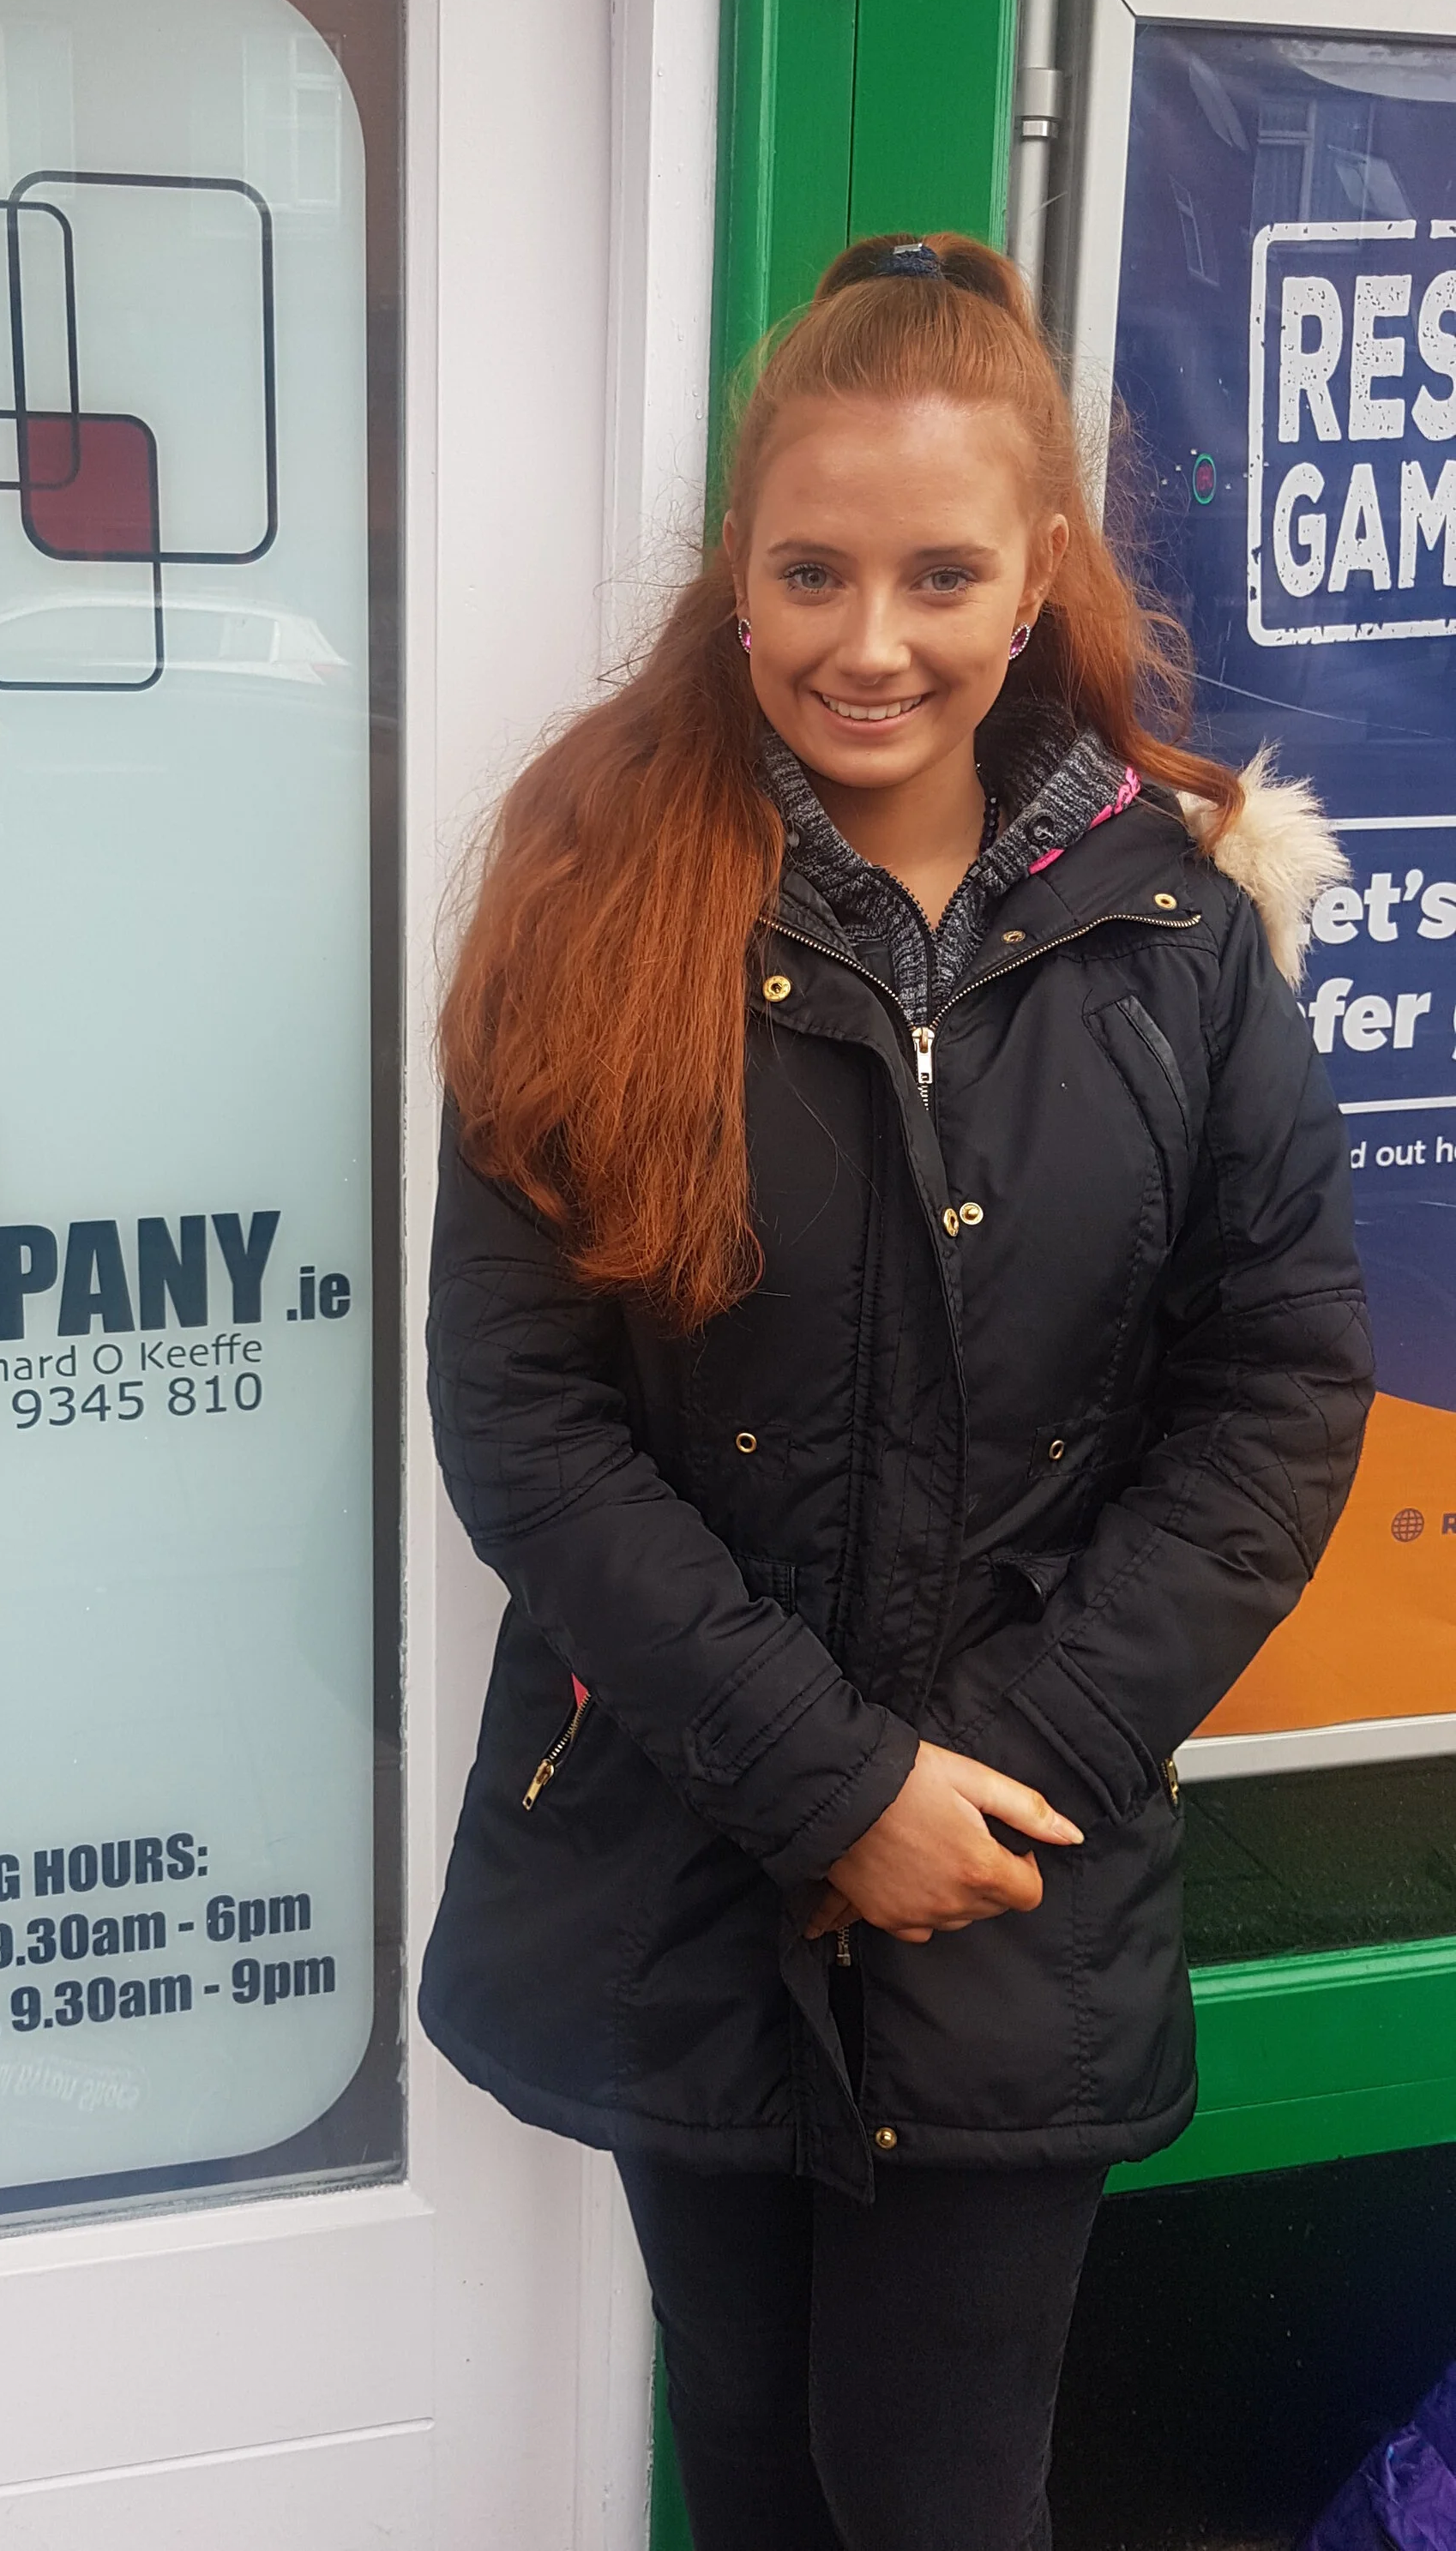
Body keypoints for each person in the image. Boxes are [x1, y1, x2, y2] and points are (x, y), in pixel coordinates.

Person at [419, 232, 1372, 2551]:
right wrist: (831, 1783)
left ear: (1036, 573)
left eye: (940, 575)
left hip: (1017, 1874)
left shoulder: (1178, 929)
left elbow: (1275, 1387)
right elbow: (523, 1412)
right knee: (750, 2466)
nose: (871, 641)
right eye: (810, 572)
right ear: (733, 570)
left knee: (937, 2491)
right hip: (682, 1843)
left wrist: (988, 1783)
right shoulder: (601, 895)